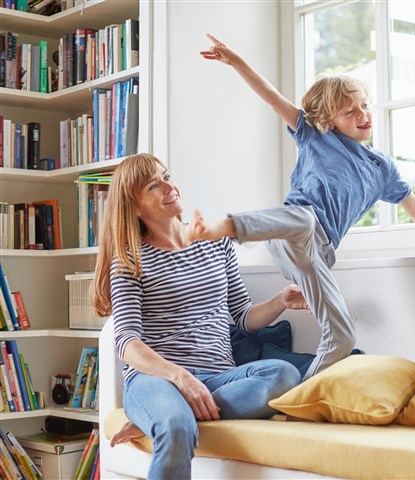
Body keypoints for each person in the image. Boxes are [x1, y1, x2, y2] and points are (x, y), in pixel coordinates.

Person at [198, 34, 415, 380]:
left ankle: (301, 401)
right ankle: (225, 227)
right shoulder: (316, 136)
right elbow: (272, 98)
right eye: (350, 111)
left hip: (318, 254)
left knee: (343, 336)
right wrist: (236, 62)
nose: (363, 114)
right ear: (329, 121)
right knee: (303, 218)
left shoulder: (381, 166)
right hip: (290, 229)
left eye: (364, 106)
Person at [91, 153, 309, 479]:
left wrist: (280, 300)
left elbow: (243, 316)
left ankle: (160, 418)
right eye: (154, 185)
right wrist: (180, 378)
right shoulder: (130, 260)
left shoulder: (214, 241)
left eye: (166, 176)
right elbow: (127, 343)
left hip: (218, 377)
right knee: (176, 426)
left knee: (283, 375)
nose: (169, 186)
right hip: (156, 381)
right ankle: (168, 415)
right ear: (135, 207)